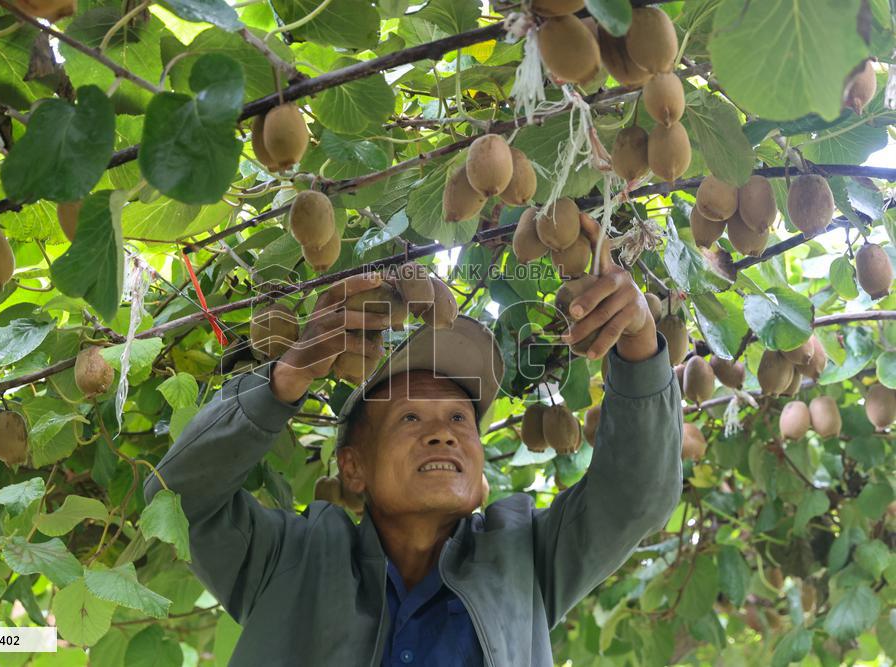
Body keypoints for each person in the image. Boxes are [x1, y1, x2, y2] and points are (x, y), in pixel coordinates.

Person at [143, 222, 684, 666]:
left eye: (458, 417)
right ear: (352, 469)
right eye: (408, 418)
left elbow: (638, 496)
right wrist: (284, 382)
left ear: (481, 474)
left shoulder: (527, 560)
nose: (443, 431)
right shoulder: (288, 561)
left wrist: (638, 342)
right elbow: (180, 498)